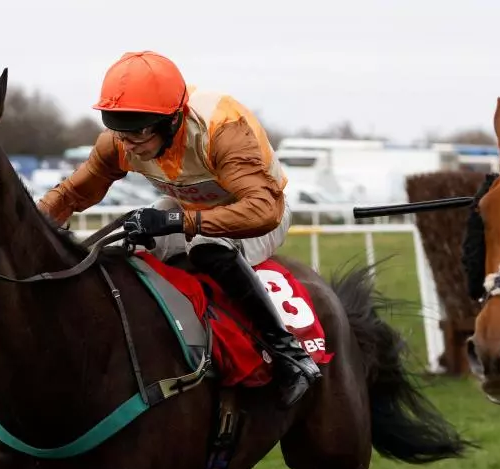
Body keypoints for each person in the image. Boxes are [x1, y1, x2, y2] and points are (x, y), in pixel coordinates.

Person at [37, 51, 320, 409]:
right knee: (122, 250)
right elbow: (71, 194)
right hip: (189, 211)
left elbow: (264, 210)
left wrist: (178, 221)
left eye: (137, 132)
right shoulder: (121, 141)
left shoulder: (223, 130)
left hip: (257, 215)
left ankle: (290, 354)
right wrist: (26, 228)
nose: (128, 144)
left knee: (205, 245)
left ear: (172, 120)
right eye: (119, 131)